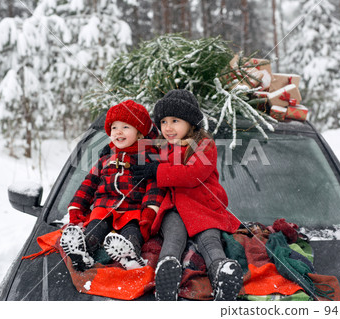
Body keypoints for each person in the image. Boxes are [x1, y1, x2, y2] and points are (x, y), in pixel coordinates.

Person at [131, 89, 243, 301]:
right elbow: (134, 142)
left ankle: (222, 272)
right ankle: (167, 271)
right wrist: (114, 150)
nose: (168, 127)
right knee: (173, 237)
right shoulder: (163, 147)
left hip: (203, 207)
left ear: (191, 123)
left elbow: (193, 174)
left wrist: (157, 171)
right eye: (163, 122)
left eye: (175, 120)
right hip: (174, 208)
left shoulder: (205, 145)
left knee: (210, 240)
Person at [60, 100, 165, 271]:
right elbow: (89, 183)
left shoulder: (148, 158)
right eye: (114, 128)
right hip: (104, 209)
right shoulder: (106, 157)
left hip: (133, 211)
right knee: (95, 229)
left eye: (126, 127)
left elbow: (154, 187)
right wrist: (76, 208)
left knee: (132, 233)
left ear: (139, 134)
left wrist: (148, 213)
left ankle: (131, 256)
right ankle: (82, 251)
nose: (118, 132)